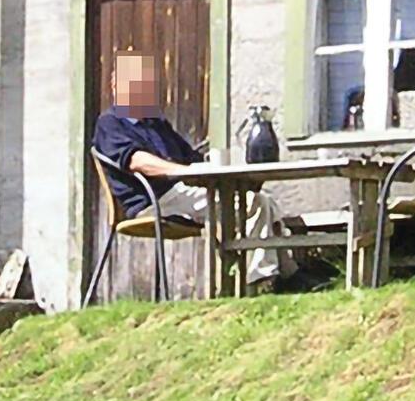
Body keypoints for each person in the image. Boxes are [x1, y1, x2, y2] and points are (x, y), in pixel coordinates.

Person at [93, 50, 295, 288]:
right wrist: (180, 172)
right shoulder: (110, 123)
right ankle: (261, 281)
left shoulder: (156, 122)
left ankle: (286, 274)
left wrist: (213, 166)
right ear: (116, 86)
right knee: (251, 204)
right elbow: (137, 161)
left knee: (263, 200)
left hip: (181, 192)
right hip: (154, 200)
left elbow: (192, 158)